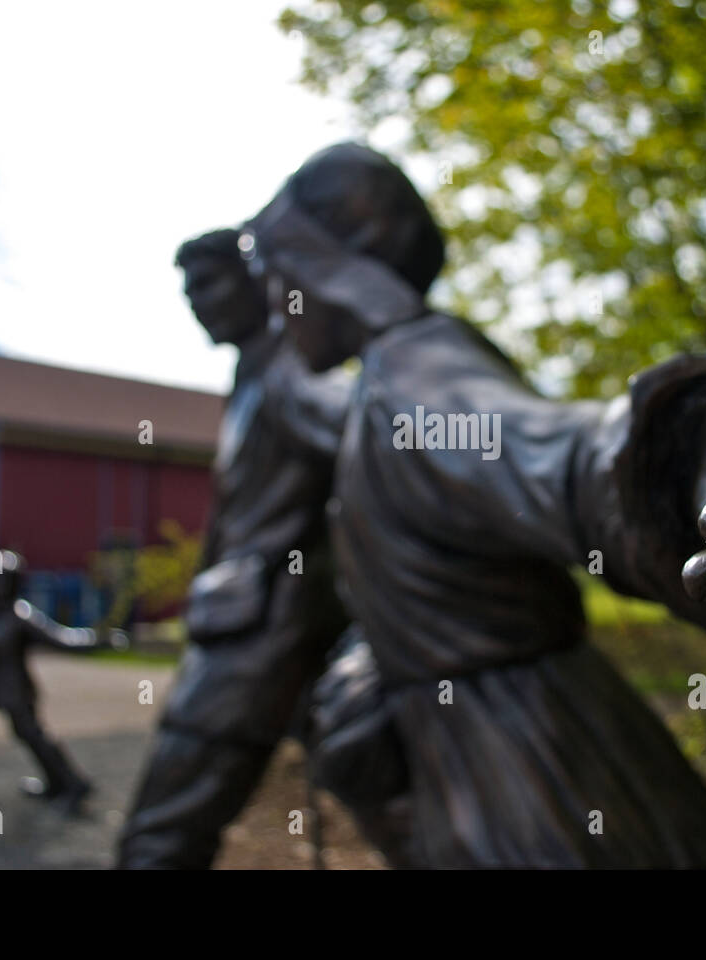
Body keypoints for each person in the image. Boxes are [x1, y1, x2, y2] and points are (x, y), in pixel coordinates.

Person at [241, 142, 706, 867]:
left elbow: (560, 462)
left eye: (276, 273)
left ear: (326, 267)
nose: (274, 303)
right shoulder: (381, 386)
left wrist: (693, 471)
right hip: (511, 763)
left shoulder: (414, 377)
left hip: (536, 783)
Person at [116, 228, 413, 869]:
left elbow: (373, 433)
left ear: (257, 283)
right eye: (191, 292)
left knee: (161, 828)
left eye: (214, 284)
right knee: (380, 787)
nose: (201, 303)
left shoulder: (284, 371)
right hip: (265, 616)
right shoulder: (250, 374)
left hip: (264, 625)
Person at [0, 553, 125, 815]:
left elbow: (62, 638)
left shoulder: (21, 616)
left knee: (35, 735)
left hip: (20, 692)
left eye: (5, 580)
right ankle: (56, 783)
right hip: (6, 692)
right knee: (27, 735)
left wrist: (101, 639)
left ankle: (74, 783)